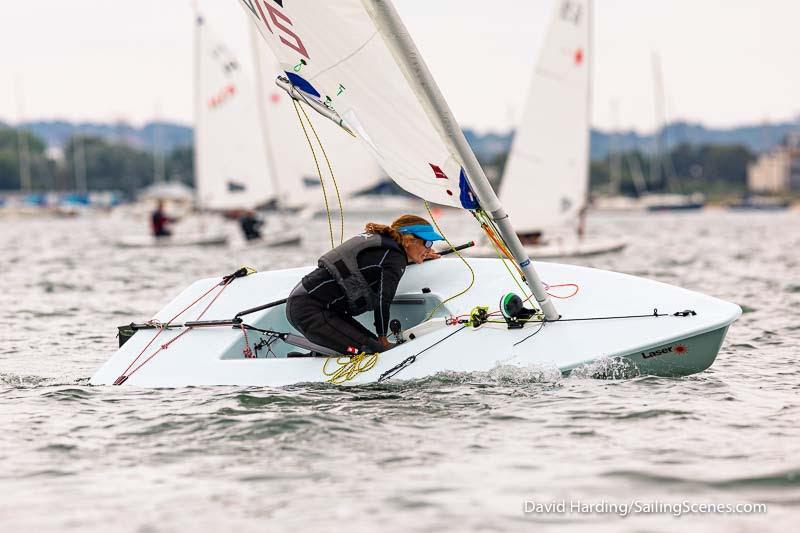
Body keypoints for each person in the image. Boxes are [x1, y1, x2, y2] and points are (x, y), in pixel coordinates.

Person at [286, 214, 444, 355]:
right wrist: (383, 337)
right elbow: (383, 300)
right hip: (310, 310)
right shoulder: (394, 258)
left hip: (309, 304)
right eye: (427, 243)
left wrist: (417, 256)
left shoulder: (389, 251)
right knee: (376, 350)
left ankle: (310, 357)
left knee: (371, 344)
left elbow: (377, 268)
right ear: (410, 240)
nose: (429, 248)